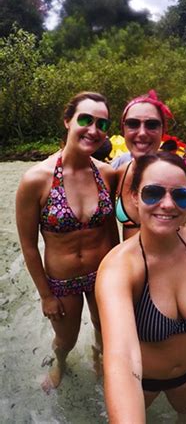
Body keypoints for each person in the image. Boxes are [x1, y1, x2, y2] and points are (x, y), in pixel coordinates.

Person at [96, 152, 186, 423]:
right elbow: (122, 358)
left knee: (185, 416)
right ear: (134, 196)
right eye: (153, 193)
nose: (167, 204)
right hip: (144, 381)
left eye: (180, 195)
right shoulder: (119, 268)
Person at [15, 92, 119, 392]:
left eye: (102, 123)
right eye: (85, 119)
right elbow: (29, 245)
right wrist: (45, 295)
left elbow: (112, 227)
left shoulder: (108, 175)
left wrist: (123, 277)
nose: (93, 129)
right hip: (62, 281)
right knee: (66, 339)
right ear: (67, 121)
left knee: (104, 328)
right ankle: (61, 363)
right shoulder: (36, 179)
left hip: (103, 275)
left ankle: (99, 357)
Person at [114, 90, 186, 246]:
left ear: (163, 131)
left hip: (172, 268)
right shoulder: (120, 174)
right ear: (123, 130)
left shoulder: (185, 180)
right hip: (131, 268)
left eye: (152, 124)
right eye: (133, 124)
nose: (142, 133)